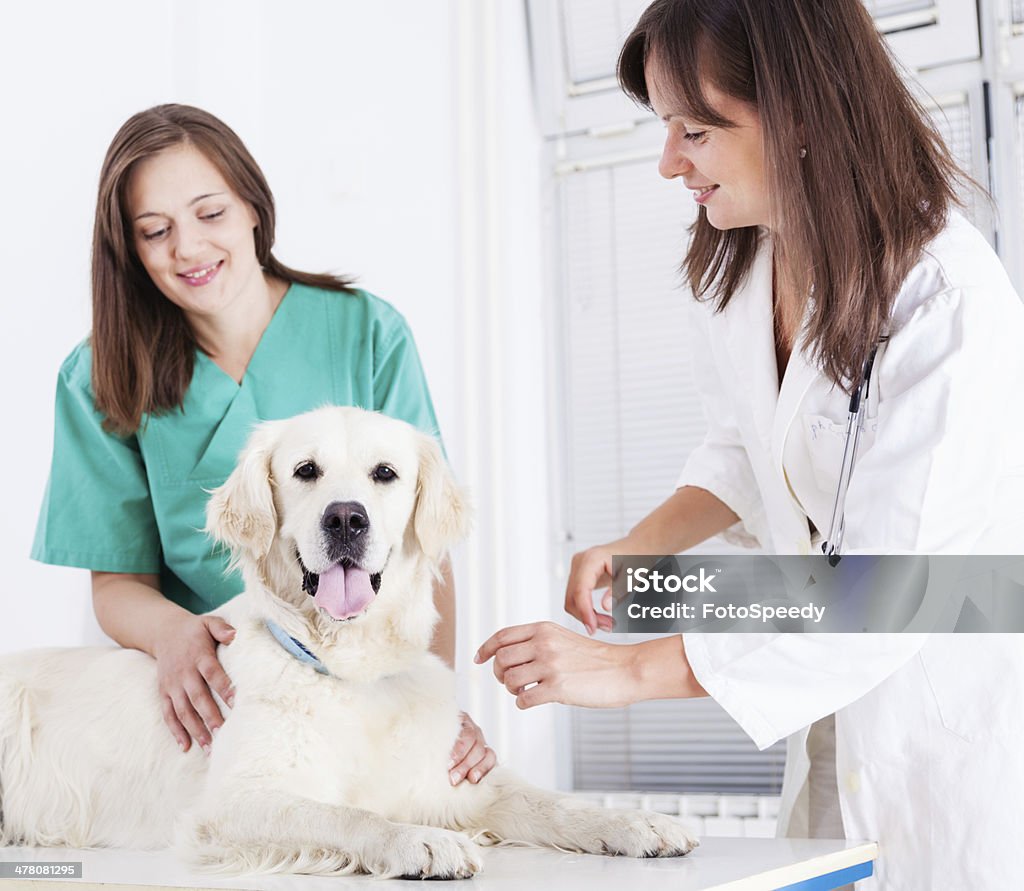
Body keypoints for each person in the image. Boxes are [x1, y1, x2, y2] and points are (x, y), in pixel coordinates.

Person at [476, 0, 1024, 887]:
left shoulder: (944, 301)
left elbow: (885, 593)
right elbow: (748, 445)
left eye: (695, 130)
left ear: (803, 111)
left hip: (945, 740)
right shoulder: (751, 263)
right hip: (828, 727)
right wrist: (641, 550)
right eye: (665, 127)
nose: (668, 163)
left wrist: (621, 673)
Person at [32, 104, 494, 788]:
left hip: (362, 679)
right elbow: (116, 582)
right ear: (128, 249)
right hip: (218, 693)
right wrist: (171, 637)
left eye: (209, 214)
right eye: (154, 231)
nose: (187, 248)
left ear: (253, 205)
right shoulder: (100, 376)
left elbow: (428, 548)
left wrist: (435, 703)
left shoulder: (367, 332)